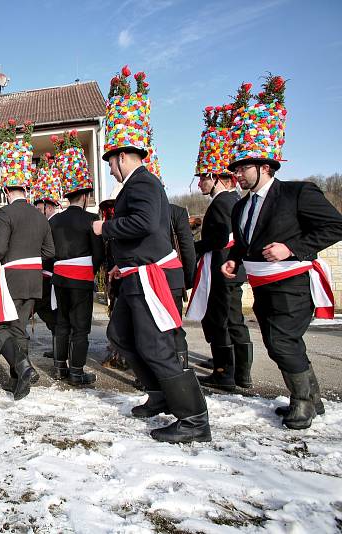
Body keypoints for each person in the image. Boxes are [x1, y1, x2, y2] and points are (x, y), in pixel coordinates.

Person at [93, 66, 210, 443]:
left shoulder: (142, 181)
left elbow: (143, 224)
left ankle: (193, 418)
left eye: (111, 162)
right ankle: (159, 393)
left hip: (151, 277)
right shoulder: (139, 183)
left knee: (155, 345)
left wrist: (105, 228)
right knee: (121, 335)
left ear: (123, 157)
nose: (110, 170)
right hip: (134, 275)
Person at [220, 76, 342, 430]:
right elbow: (244, 244)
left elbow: (335, 226)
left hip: (292, 282)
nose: (237, 174)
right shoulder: (240, 208)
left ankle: (303, 400)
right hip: (261, 285)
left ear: (266, 167)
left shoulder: (298, 193)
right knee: (276, 344)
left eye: (243, 167)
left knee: (283, 341)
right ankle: (312, 398)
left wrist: (292, 248)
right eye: (236, 168)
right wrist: (234, 259)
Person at [187, 102, 253, 391]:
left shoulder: (223, 202)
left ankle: (226, 371)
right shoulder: (231, 201)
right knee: (233, 319)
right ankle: (240, 372)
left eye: (203, 177)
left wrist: (195, 243)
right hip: (229, 269)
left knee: (221, 321)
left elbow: (220, 238)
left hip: (222, 268)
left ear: (214, 177)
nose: (200, 183)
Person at [0, 121, 55, 401]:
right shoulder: (40, 215)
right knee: (19, 329)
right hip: (34, 280)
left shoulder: (5, 213)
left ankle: (23, 366)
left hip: (11, 279)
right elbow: (50, 252)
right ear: (25, 188)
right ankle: (20, 380)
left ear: (6, 189)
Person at [49, 140, 104, 386]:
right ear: (84, 195)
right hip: (81, 278)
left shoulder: (53, 221)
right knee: (80, 327)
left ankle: (60, 367)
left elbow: (48, 252)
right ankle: (77, 371)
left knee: (62, 322)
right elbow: (99, 253)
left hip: (59, 277)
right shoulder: (92, 219)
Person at [32, 196, 58, 360]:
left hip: (51, 275)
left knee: (49, 311)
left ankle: (60, 348)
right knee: (47, 311)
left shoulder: (53, 224)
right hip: (45, 274)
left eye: (39, 210)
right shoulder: (45, 224)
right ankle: (58, 347)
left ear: (48, 208)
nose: (37, 213)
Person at [170, 203, 196, 368]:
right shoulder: (177, 212)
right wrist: (186, 279)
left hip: (146, 279)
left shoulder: (137, 210)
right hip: (173, 278)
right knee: (175, 327)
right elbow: (188, 250)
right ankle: (181, 370)